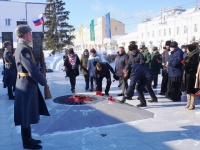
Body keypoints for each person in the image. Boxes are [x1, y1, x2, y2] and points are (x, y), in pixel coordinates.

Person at [14, 24, 50, 149]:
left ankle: (28, 138)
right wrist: (43, 81)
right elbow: (32, 70)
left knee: (27, 113)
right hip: (26, 84)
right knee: (25, 113)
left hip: (26, 83)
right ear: (24, 34)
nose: (31, 35)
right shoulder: (23, 48)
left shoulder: (21, 46)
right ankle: (26, 142)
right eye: (30, 33)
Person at [182, 44, 199, 109]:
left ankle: (192, 103)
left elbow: (194, 65)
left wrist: (186, 66)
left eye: (187, 48)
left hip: (192, 74)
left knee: (191, 89)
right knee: (187, 89)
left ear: (190, 48)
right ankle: (188, 102)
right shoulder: (188, 55)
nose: (186, 49)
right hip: (187, 74)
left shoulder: (195, 55)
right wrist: (184, 65)